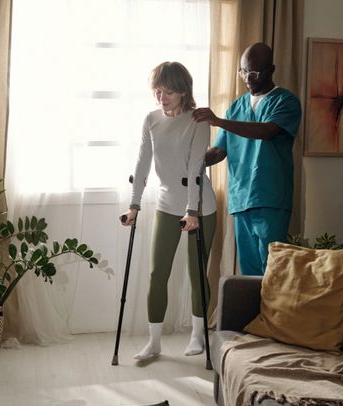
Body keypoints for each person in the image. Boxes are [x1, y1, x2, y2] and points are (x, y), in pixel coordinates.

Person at [120, 61, 216, 361]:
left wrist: (192, 212)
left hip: (200, 207)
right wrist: (134, 204)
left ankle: (198, 335)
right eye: (158, 91)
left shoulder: (197, 120)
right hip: (166, 205)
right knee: (156, 273)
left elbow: (196, 168)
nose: (162, 97)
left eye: (169, 92)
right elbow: (142, 164)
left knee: (197, 273)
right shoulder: (151, 119)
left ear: (184, 91)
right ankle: (155, 342)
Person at [193, 42, 301, 275]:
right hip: (241, 199)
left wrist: (219, 121)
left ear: (271, 70)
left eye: (254, 72)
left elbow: (267, 131)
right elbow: (219, 152)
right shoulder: (236, 107)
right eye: (243, 72)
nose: (247, 78)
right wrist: (187, 161)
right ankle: (253, 314)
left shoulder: (286, 101)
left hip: (271, 198)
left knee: (273, 272)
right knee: (249, 274)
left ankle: (274, 313)